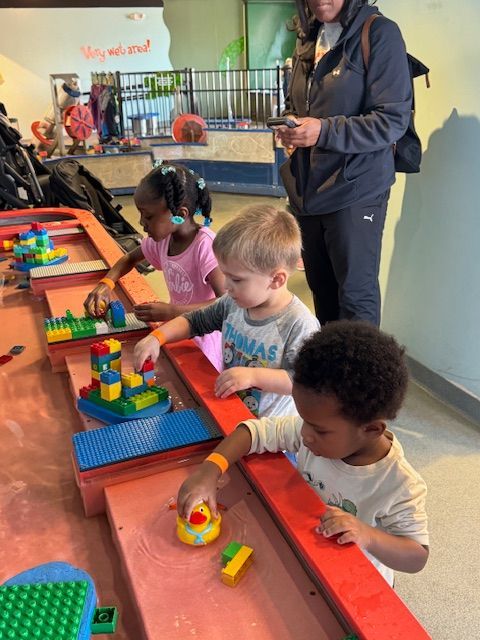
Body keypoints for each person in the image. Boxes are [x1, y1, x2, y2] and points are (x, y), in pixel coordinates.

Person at [177, 320, 429, 586]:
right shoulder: (314, 430)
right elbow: (254, 432)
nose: (305, 434)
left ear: (371, 430)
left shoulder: (400, 483)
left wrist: (366, 535)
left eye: (320, 431)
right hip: (305, 553)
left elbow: (416, 556)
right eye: (304, 420)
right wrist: (210, 468)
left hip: (354, 581)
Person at [274, 0, 412, 326]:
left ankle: (359, 377)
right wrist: (292, 125)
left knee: (354, 296)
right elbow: (300, 102)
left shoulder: (379, 33)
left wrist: (322, 131)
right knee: (322, 290)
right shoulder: (309, 36)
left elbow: (391, 120)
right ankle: (332, 373)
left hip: (357, 188)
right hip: (308, 189)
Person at [133, 205, 319, 418]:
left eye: (236, 279)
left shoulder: (298, 323)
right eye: (226, 275)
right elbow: (194, 321)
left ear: (276, 279)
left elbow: (304, 383)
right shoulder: (232, 303)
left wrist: (254, 377)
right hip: (233, 416)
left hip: (273, 435)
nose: (227, 286)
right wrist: (156, 337)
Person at [84, 163, 225, 372]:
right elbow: (128, 259)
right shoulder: (163, 240)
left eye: (148, 216)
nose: (141, 223)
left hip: (204, 344)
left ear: (180, 213)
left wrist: (172, 311)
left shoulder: (205, 246)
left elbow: (226, 304)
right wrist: (106, 283)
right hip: (175, 333)